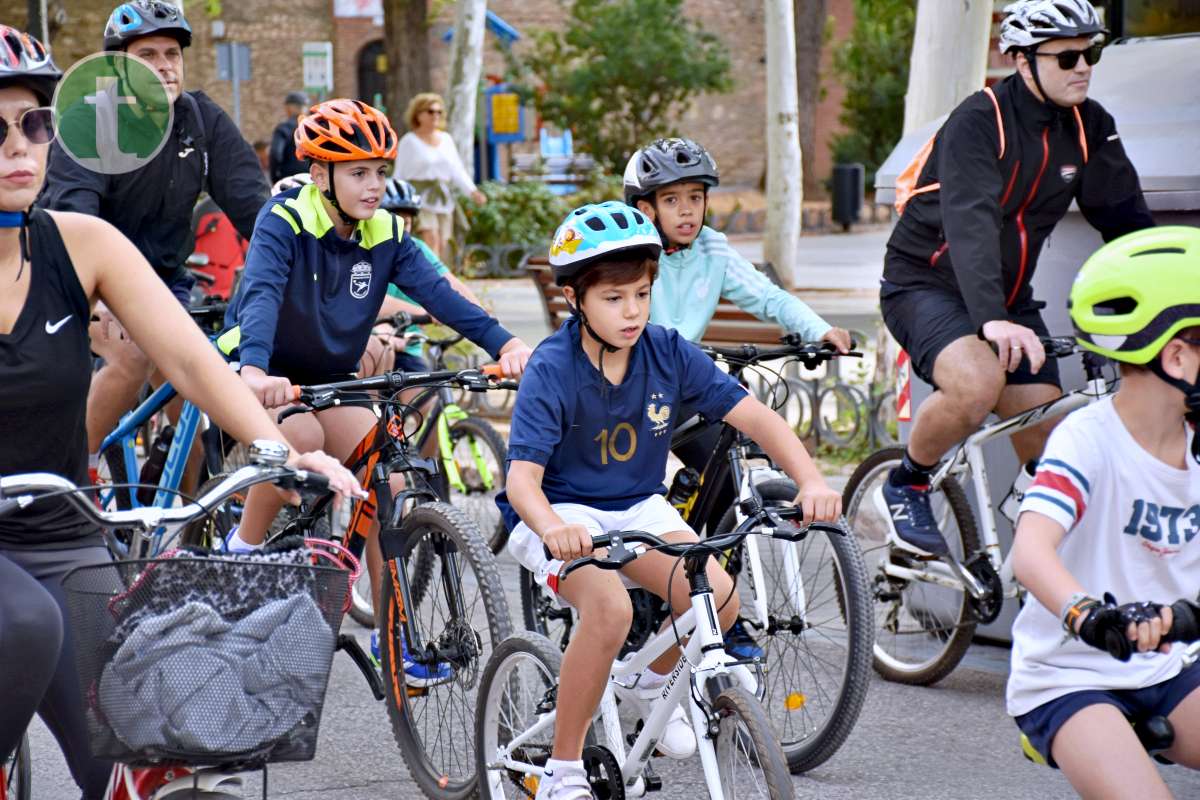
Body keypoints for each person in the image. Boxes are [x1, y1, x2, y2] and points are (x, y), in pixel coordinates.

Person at [0, 27, 360, 800]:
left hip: (63, 536)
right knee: (25, 624)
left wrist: (280, 452)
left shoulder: (81, 243)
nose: (18, 146)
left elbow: (192, 360)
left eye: (32, 123)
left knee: (152, 744)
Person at [498, 201, 842, 799]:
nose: (632, 311)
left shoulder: (667, 349)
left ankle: (653, 685)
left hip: (636, 505)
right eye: (613, 299)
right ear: (575, 299)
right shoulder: (552, 367)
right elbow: (521, 481)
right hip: (560, 511)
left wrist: (811, 481)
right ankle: (563, 770)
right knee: (610, 611)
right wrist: (554, 527)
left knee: (722, 599)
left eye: (641, 293)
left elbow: (757, 418)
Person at [222, 98, 532, 680]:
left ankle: (400, 644)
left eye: (381, 172)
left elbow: (440, 295)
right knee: (302, 437)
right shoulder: (285, 219)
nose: (374, 185)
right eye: (359, 172)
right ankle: (242, 551)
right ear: (321, 175)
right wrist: (256, 372)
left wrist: (506, 345)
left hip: (331, 377)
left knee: (387, 476)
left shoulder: (386, 231)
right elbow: (261, 294)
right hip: (266, 374)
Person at [875, 0, 1155, 557]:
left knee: (1055, 433)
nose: (1083, 67)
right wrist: (993, 321)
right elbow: (972, 224)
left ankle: (1030, 548)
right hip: (924, 285)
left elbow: (1128, 225)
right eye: (1068, 56)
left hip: (1005, 299)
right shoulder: (980, 120)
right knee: (978, 384)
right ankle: (907, 481)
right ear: (1022, 62)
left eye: (1091, 53)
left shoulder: (1089, 124)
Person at [623, 137, 851, 656]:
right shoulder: (635, 252)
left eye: (696, 198)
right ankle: (676, 550)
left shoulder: (712, 250)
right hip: (639, 386)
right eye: (673, 200)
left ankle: (721, 609)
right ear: (646, 208)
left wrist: (817, 329)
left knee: (735, 470)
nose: (687, 211)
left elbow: (766, 295)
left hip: (693, 380)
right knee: (704, 462)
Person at [1007, 226, 1200, 799]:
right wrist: (1088, 616)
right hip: (1070, 675)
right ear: (1178, 355)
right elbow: (1031, 551)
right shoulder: (1087, 440)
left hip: (1170, 667)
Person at [38, 0, 271, 470]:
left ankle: (175, 532)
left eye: (172, 54)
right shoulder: (91, 121)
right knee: (129, 358)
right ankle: (69, 472)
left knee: (193, 404)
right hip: (78, 278)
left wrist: (294, 268)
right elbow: (75, 213)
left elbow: (255, 208)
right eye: (147, 56)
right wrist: (99, 299)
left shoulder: (201, 120)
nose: (165, 67)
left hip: (164, 280)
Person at [363, 176, 486, 379]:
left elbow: (449, 283)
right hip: (371, 342)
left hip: (408, 346)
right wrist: (428, 312)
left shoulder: (416, 248)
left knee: (424, 401)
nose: (401, 228)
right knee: (372, 397)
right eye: (394, 221)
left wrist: (481, 316)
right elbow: (374, 301)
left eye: (407, 222)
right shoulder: (365, 249)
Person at [393, 92, 486, 262]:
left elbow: (457, 170)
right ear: (418, 114)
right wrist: (396, 203)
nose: (435, 115)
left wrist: (472, 192)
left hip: (443, 199)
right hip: (419, 198)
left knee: (443, 244)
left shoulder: (446, 139)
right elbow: (399, 175)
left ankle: (438, 279)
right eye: (430, 111)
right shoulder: (409, 141)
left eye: (439, 112)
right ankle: (432, 281)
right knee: (431, 238)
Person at [268, 91, 309, 184]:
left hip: (289, 180)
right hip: (312, 178)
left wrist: (275, 178)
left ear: (289, 108)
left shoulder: (283, 128)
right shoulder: (313, 127)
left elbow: (275, 153)